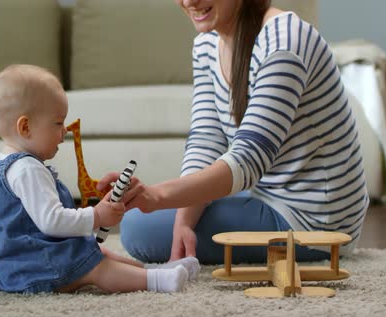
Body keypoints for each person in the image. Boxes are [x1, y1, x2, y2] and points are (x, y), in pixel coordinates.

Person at [98, 0, 369, 264]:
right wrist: (184, 220)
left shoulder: (284, 40)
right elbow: (207, 141)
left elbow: (249, 160)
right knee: (157, 216)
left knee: (138, 227)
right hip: (267, 193)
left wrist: (156, 196)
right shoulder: (207, 44)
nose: (189, 1)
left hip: (316, 221)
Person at [0, 64, 200, 294]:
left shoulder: (4, 165)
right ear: (25, 127)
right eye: (58, 123)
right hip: (35, 270)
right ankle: (158, 281)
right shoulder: (27, 170)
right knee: (97, 266)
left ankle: (154, 270)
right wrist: (96, 215)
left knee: (95, 251)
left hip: (21, 265)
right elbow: (51, 221)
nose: (64, 131)